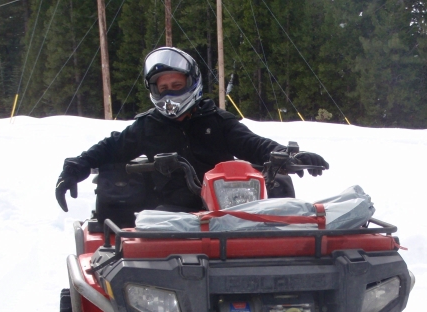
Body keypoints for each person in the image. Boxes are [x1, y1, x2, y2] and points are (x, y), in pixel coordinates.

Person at [55, 46, 328, 213]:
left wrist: (290, 155)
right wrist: (76, 167)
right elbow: (111, 147)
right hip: (171, 215)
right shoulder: (148, 126)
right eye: (163, 88)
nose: (170, 93)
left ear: (192, 82)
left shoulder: (216, 120)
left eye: (176, 86)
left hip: (228, 209)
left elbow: (253, 143)